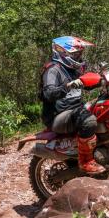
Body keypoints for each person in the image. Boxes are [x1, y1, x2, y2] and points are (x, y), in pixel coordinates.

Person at [40, 36, 105, 174]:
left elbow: (85, 84)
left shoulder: (72, 69)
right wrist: (68, 86)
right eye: (76, 54)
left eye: (80, 54)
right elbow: (49, 94)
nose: (79, 57)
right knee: (89, 121)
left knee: (103, 108)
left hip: (74, 109)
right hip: (57, 116)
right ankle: (86, 162)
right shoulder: (52, 70)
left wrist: (102, 80)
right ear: (63, 53)